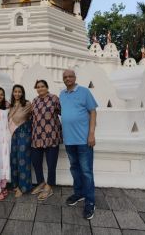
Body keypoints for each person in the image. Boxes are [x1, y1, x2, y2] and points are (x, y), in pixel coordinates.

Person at [59, 70, 98, 220]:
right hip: (69, 140)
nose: (67, 79)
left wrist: (91, 134)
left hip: (84, 140)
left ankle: (90, 202)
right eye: (65, 77)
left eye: (70, 76)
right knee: (74, 169)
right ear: (63, 79)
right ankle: (79, 193)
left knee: (86, 172)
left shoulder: (84, 92)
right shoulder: (62, 94)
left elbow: (93, 112)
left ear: (75, 78)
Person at [31, 80, 62, 200]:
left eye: (42, 86)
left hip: (51, 135)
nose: (40, 88)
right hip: (37, 136)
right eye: (38, 87)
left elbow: (62, 112)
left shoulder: (54, 98)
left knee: (51, 163)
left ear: (47, 87)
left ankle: (49, 186)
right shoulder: (35, 101)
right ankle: (41, 182)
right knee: (36, 162)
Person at [8, 84, 32, 197]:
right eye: (15, 91)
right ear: (12, 93)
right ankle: (15, 184)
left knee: (23, 159)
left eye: (19, 92)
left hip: (23, 133)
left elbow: (20, 118)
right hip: (13, 135)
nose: (17, 94)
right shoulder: (10, 105)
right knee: (14, 159)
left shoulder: (27, 104)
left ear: (22, 93)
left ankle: (23, 187)